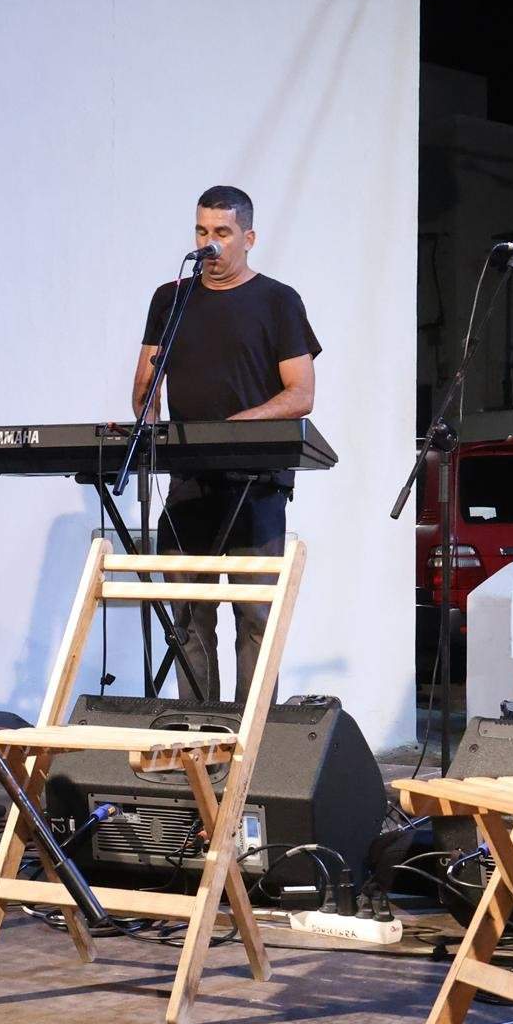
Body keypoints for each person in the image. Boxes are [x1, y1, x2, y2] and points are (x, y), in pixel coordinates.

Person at [133, 185, 320, 704]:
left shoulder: (278, 301)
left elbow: (300, 394)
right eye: (201, 232)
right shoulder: (171, 298)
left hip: (256, 483)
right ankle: (196, 738)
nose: (210, 244)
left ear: (249, 237)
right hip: (189, 480)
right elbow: (145, 389)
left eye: (222, 233)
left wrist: (237, 426)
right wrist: (148, 427)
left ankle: (250, 744)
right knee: (188, 619)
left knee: (255, 617)